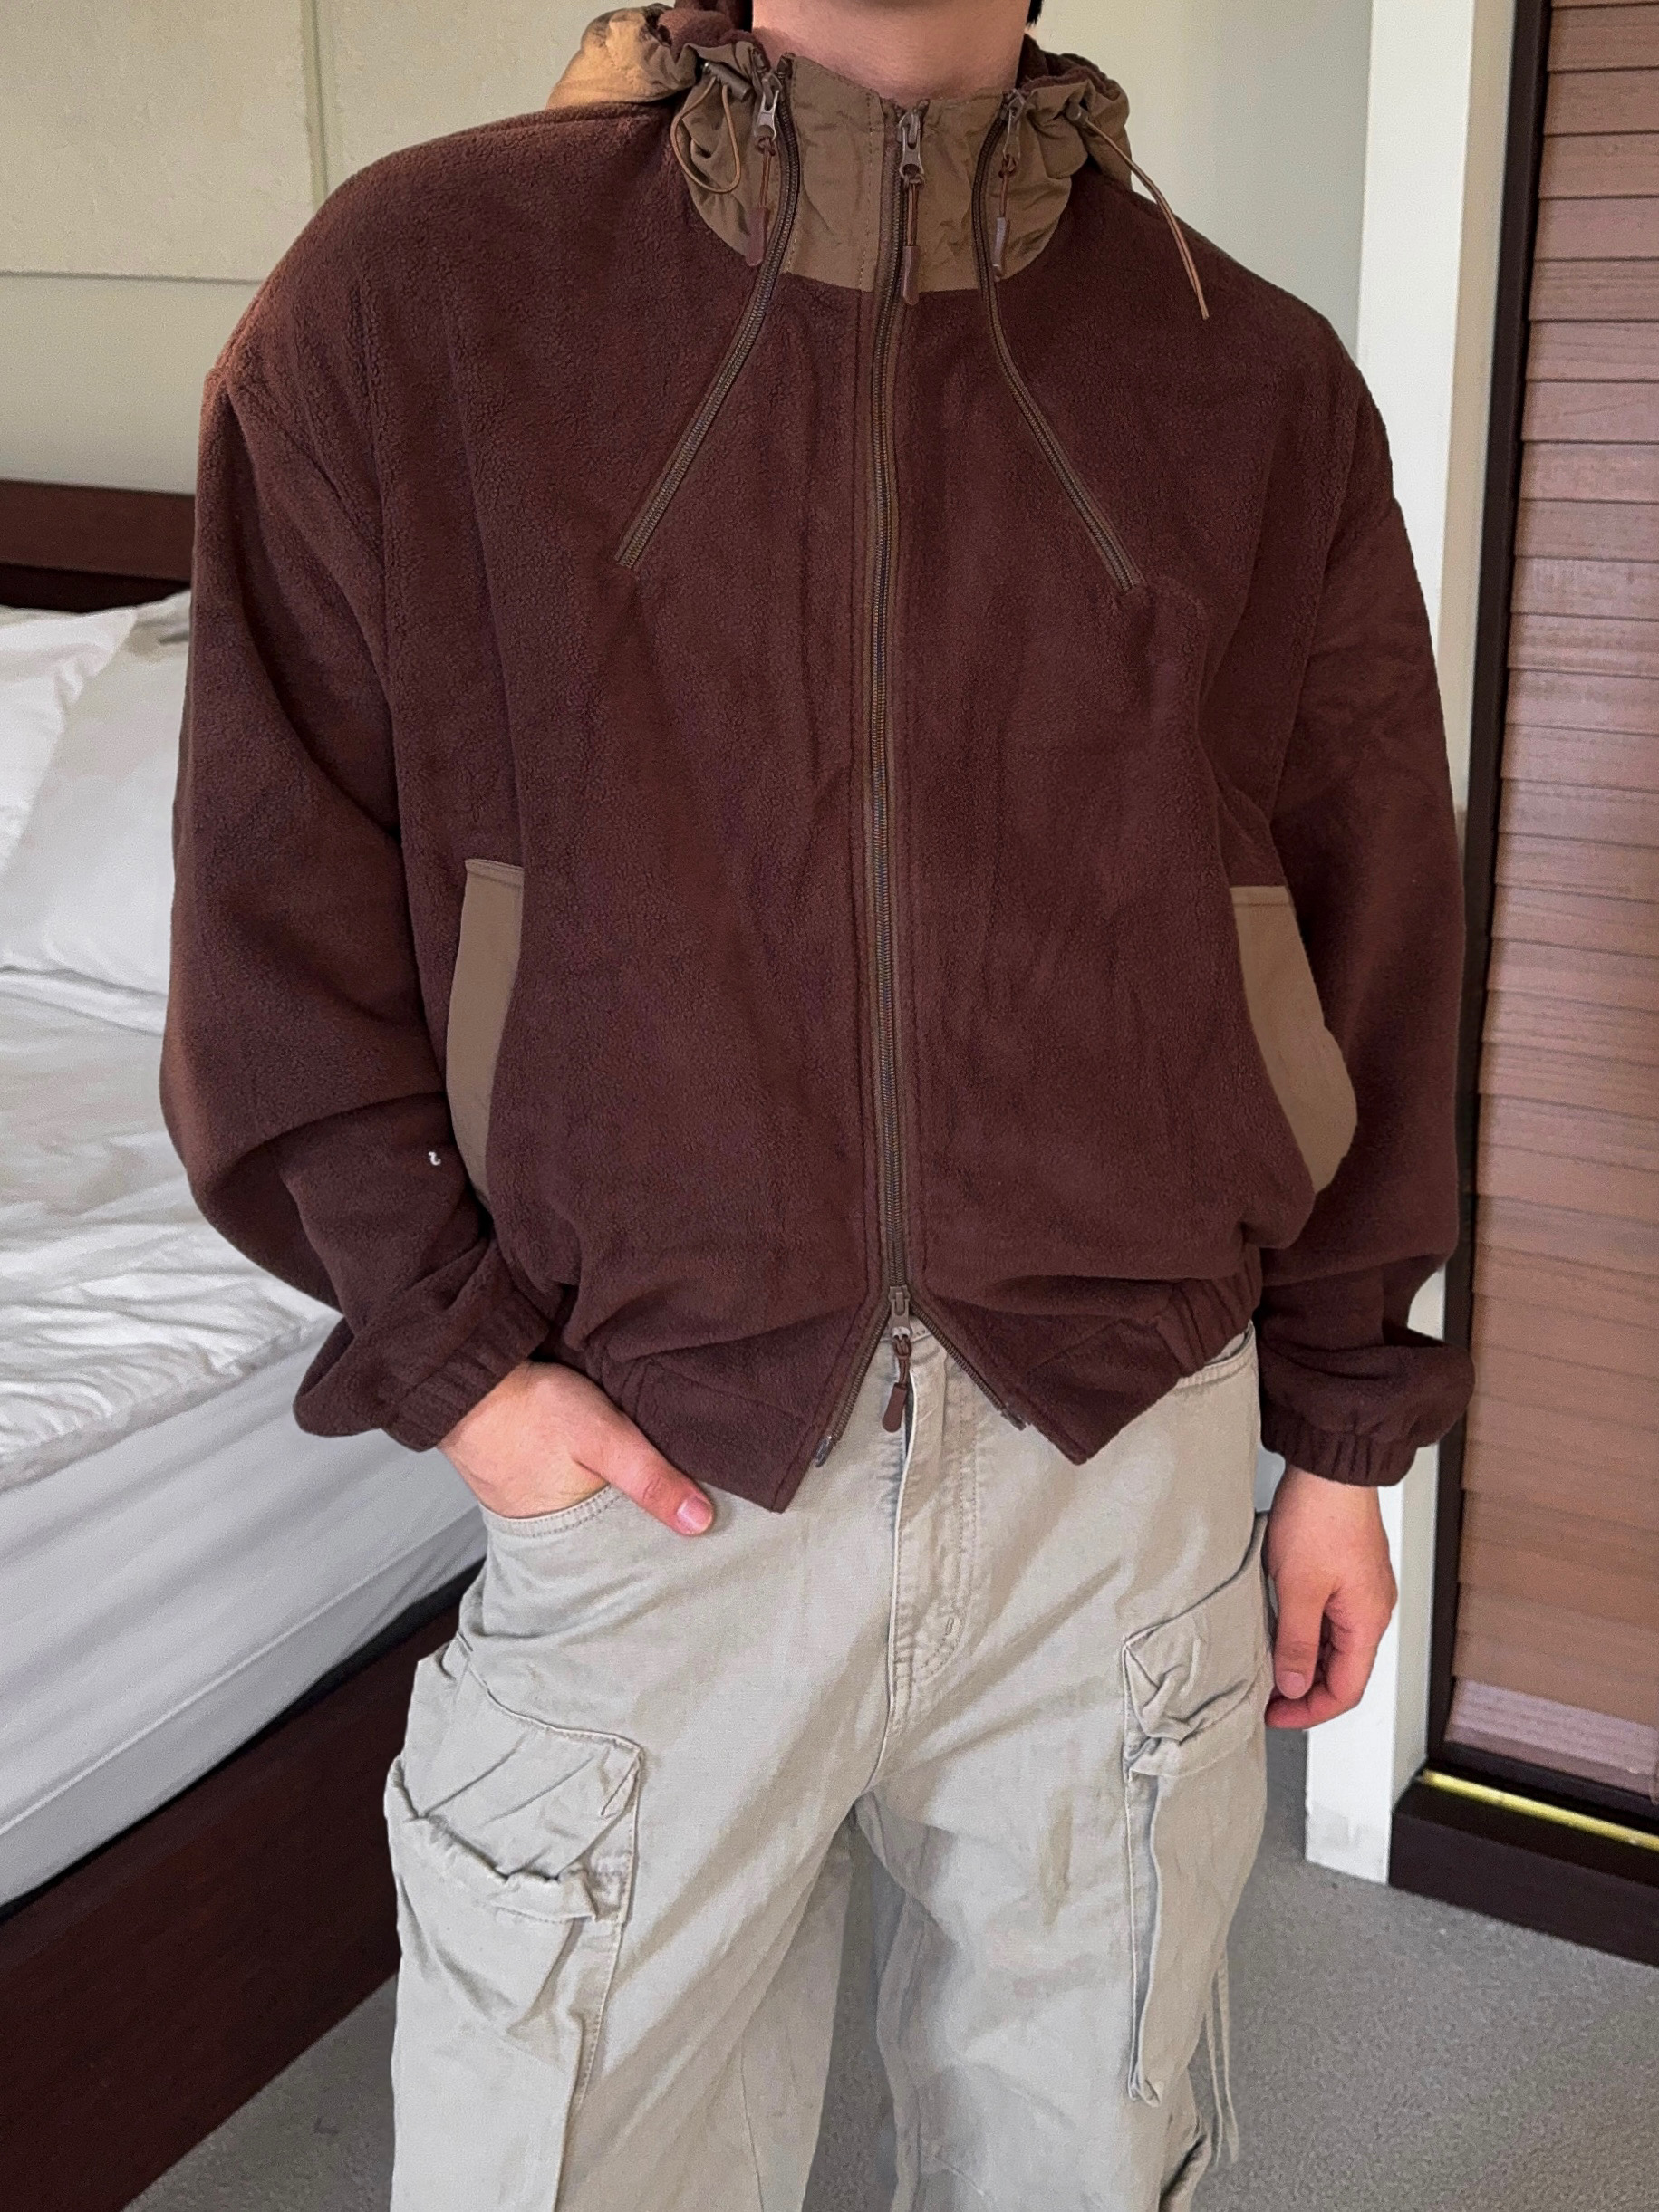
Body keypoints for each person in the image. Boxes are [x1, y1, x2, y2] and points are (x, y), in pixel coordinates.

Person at [161, 0, 1475, 2203]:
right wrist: (461, 1367)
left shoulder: (1247, 373)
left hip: (1119, 1468)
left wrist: (1340, 1430)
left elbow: (1367, 926)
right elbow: (272, 904)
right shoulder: (418, 297)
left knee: (1082, 2164)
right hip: (654, 1463)